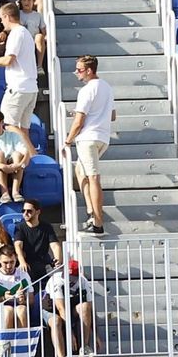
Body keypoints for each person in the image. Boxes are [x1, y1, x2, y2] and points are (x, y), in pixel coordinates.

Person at [65, 55, 115, 234]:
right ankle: (90, 211)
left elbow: (79, 122)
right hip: (102, 138)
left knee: (93, 177)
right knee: (80, 171)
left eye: (79, 70)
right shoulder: (107, 87)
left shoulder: (86, 91)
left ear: (89, 70)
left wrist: (67, 140)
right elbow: (113, 115)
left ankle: (98, 223)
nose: (76, 73)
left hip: (87, 139)